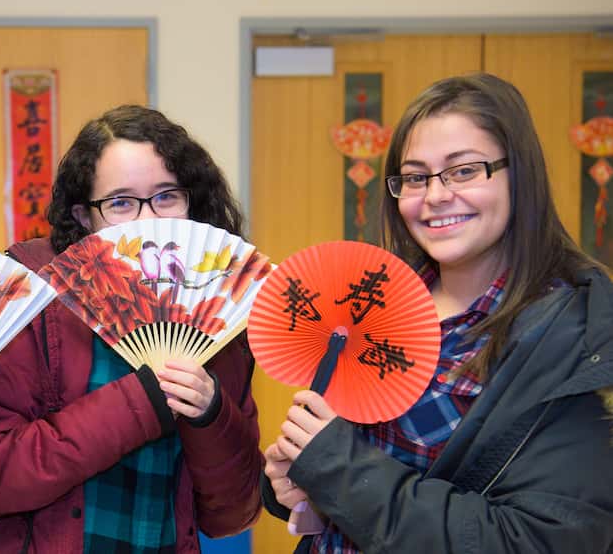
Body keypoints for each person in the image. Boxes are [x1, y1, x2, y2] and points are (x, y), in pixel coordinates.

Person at [262, 73, 613, 553]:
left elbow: (537, 540)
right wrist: (300, 486)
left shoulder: (572, 339)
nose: (435, 196)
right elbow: (345, 468)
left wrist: (337, 468)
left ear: (520, 174)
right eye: (414, 176)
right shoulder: (376, 303)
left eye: (465, 170)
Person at [0, 105, 263, 553]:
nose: (148, 222)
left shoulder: (221, 311)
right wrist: (140, 402)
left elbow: (232, 513)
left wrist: (211, 413)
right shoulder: (31, 293)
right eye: (120, 203)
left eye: (166, 196)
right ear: (84, 216)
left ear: (192, 202)